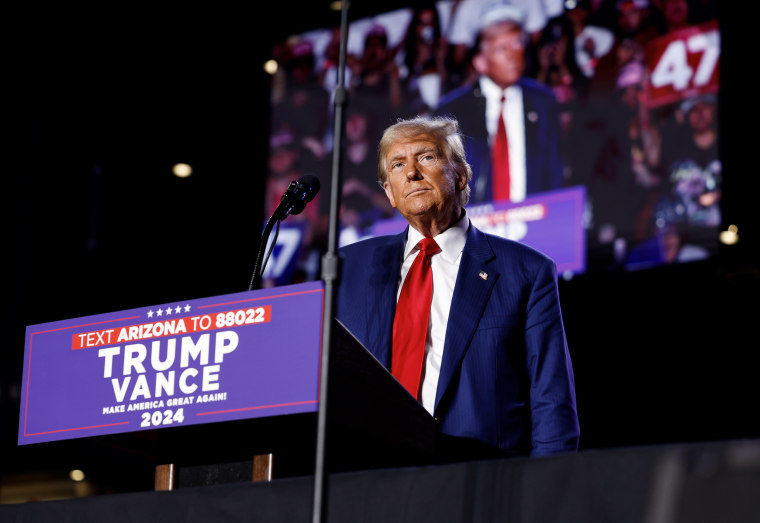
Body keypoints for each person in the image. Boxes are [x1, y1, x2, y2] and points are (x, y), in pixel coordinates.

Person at [336, 115, 580, 458]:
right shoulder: (347, 270)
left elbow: (552, 401)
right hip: (369, 480)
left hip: (480, 479)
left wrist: (546, 494)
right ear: (389, 192)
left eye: (426, 157)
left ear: (461, 175)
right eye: (397, 164)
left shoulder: (526, 272)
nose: (411, 173)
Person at [436, 3, 565, 204]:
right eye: (501, 48)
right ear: (480, 62)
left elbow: (555, 172)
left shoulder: (543, 103)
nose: (513, 55)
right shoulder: (453, 111)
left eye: (516, 43)